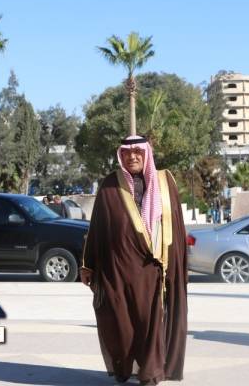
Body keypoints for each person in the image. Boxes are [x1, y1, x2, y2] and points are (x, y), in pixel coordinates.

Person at [80, 135, 188, 385]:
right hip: (119, 270)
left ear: (147, 153)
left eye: (138, 152)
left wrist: (178, 264)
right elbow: (97, 228)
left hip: (154, 268)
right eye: (127, 153)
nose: (132, 157)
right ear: (121, 155)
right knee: (121, 322)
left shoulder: (165, 182)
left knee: (152, 323)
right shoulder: (110, 184)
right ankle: (124, 366)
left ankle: (151, 372)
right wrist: (88, 264)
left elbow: (177, 227)